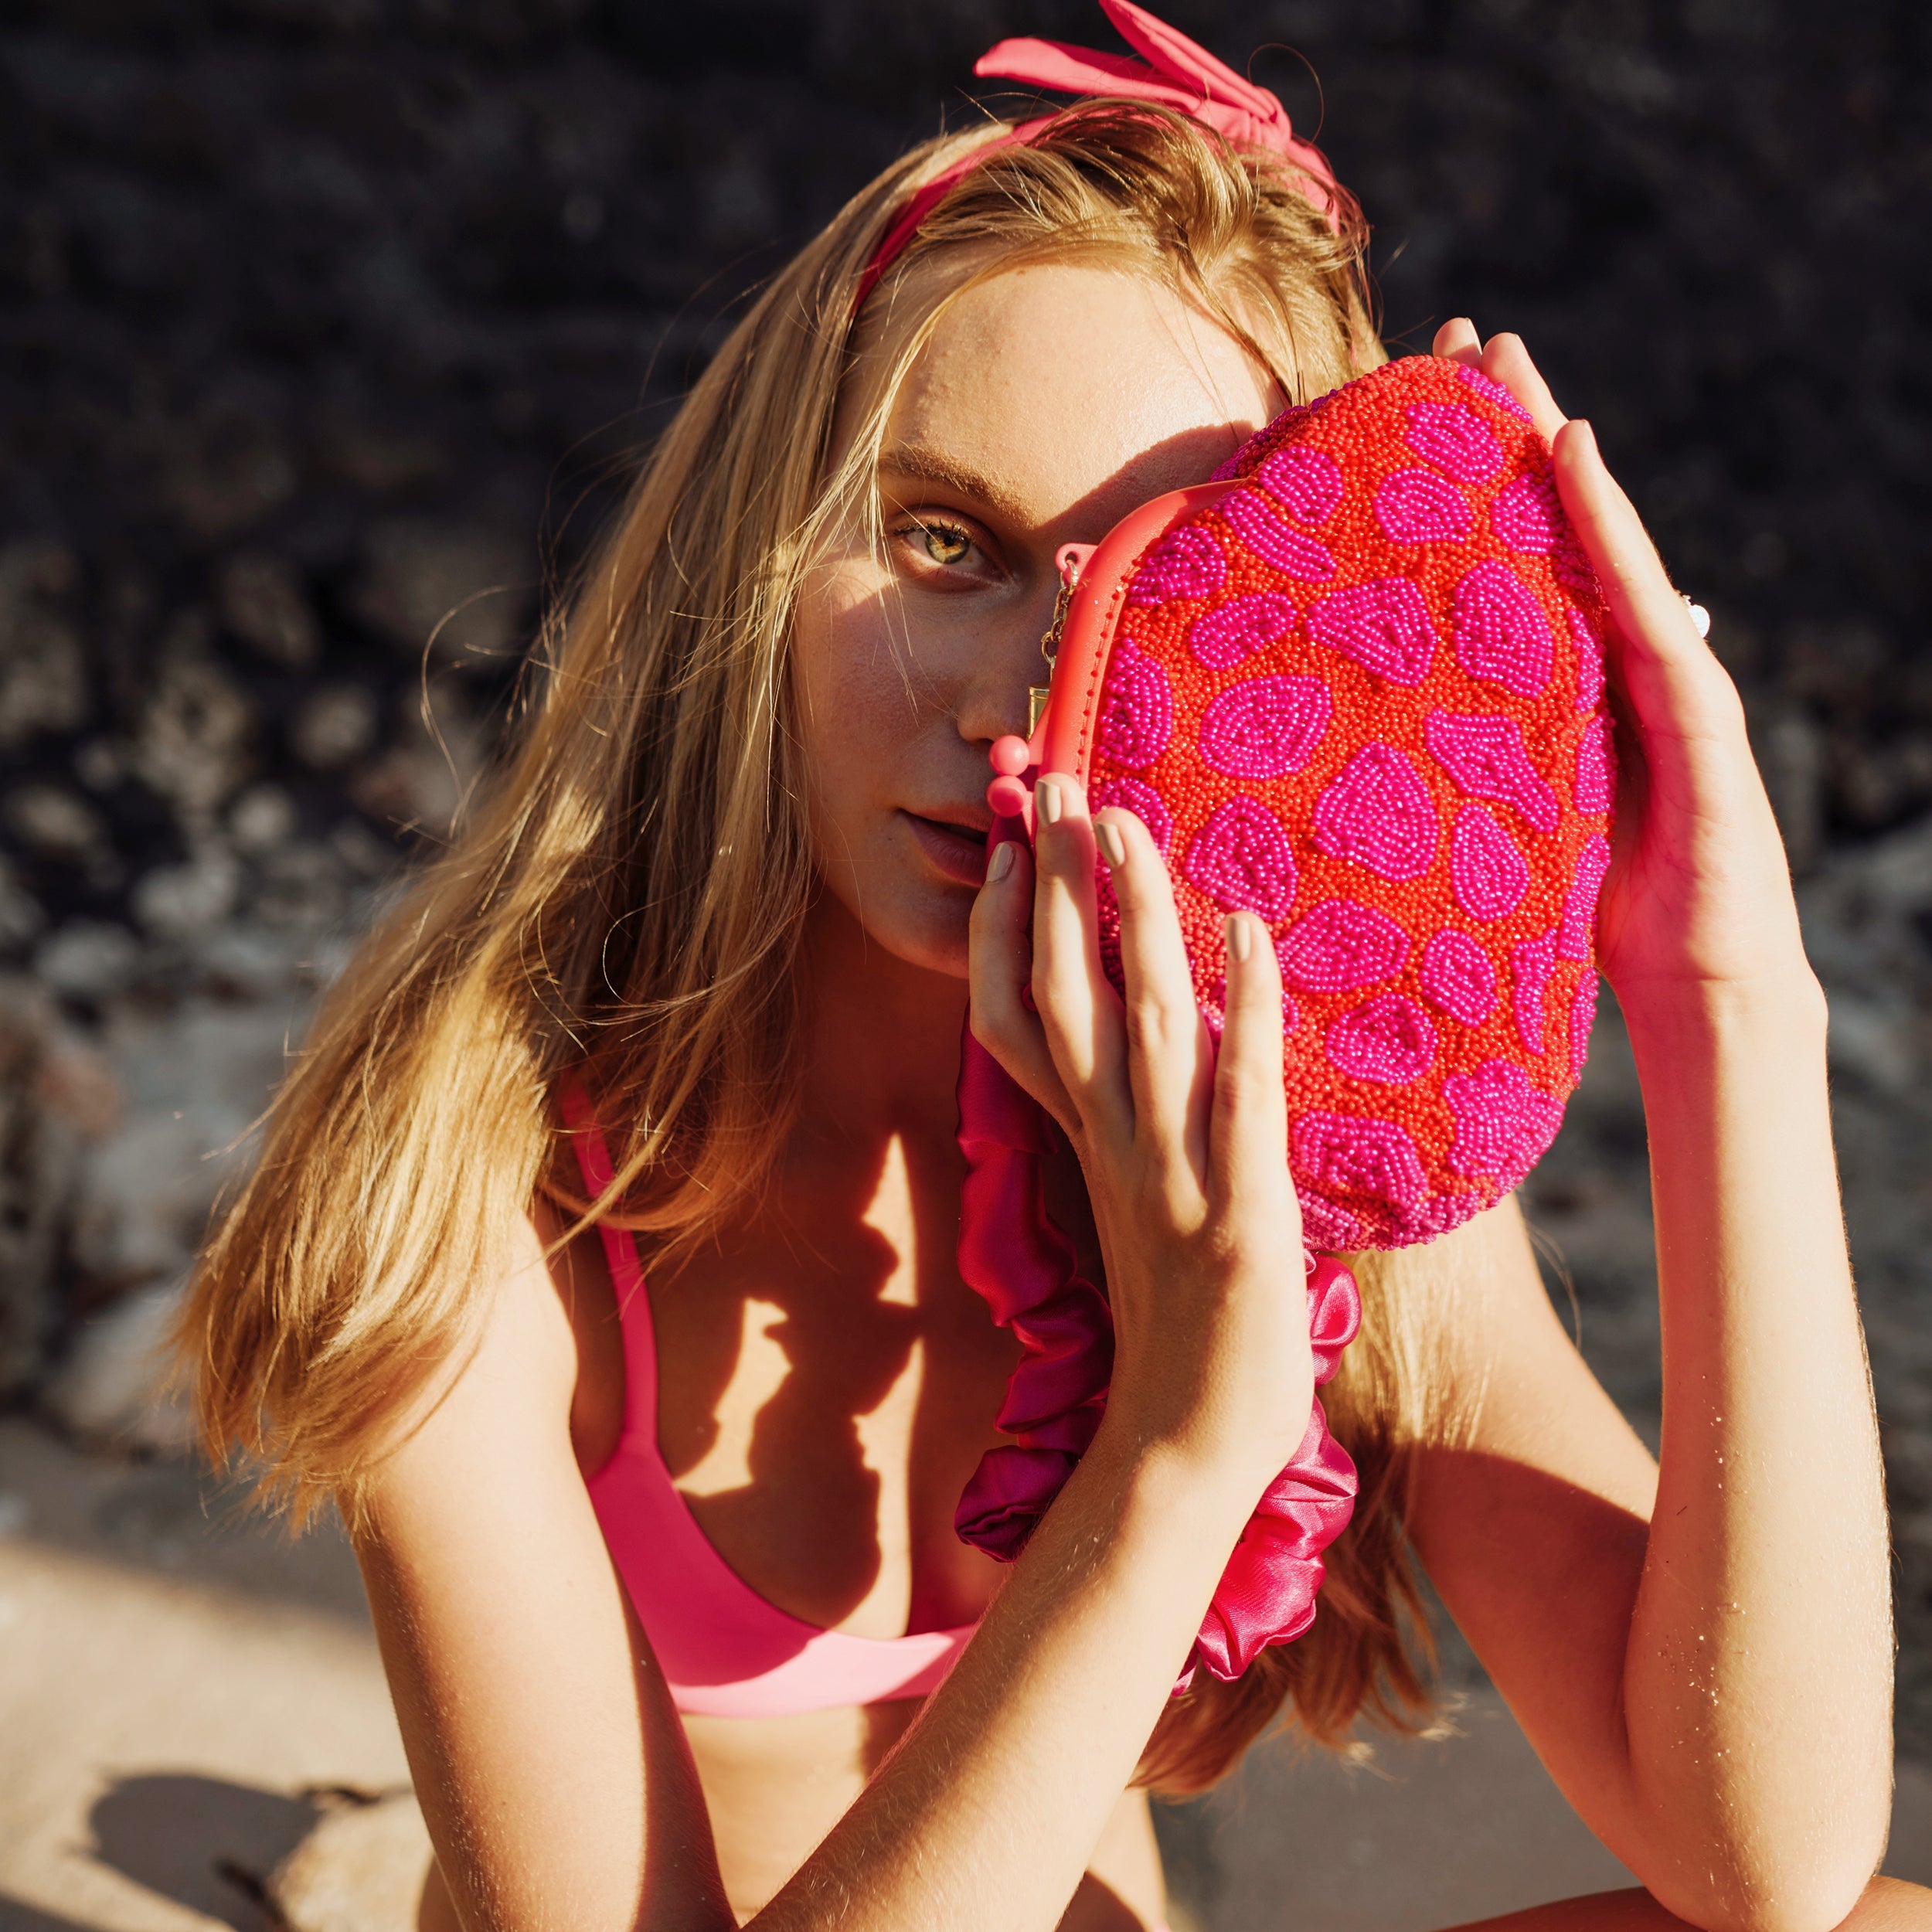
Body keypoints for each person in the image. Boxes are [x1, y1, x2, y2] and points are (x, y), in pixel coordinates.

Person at [184, 8, 1920, 1928]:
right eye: (945, 544)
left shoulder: (1288, 1150)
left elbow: (1767, 1857)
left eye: (1147, 591)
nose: (1034, 692)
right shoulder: (484, 1204)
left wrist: (1724, 1001)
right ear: (756, 568)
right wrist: (1177, 1450)